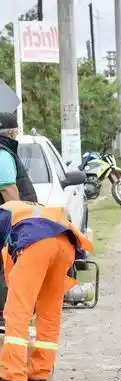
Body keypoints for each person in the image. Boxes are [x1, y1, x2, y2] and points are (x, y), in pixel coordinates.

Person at [0, 201, 94, 381]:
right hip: (66, 246)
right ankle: (40, 374)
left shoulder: (3, 213)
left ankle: (13, 377)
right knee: (49, 313)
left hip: (37, 243)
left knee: (17, 311)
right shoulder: (24, 207)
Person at [0, 112, 38, 328]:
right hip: (7, 225)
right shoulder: (3, 154)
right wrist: (20, 222)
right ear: (11, 132)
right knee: (6, 271)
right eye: (15, 131)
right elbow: (8, 190)